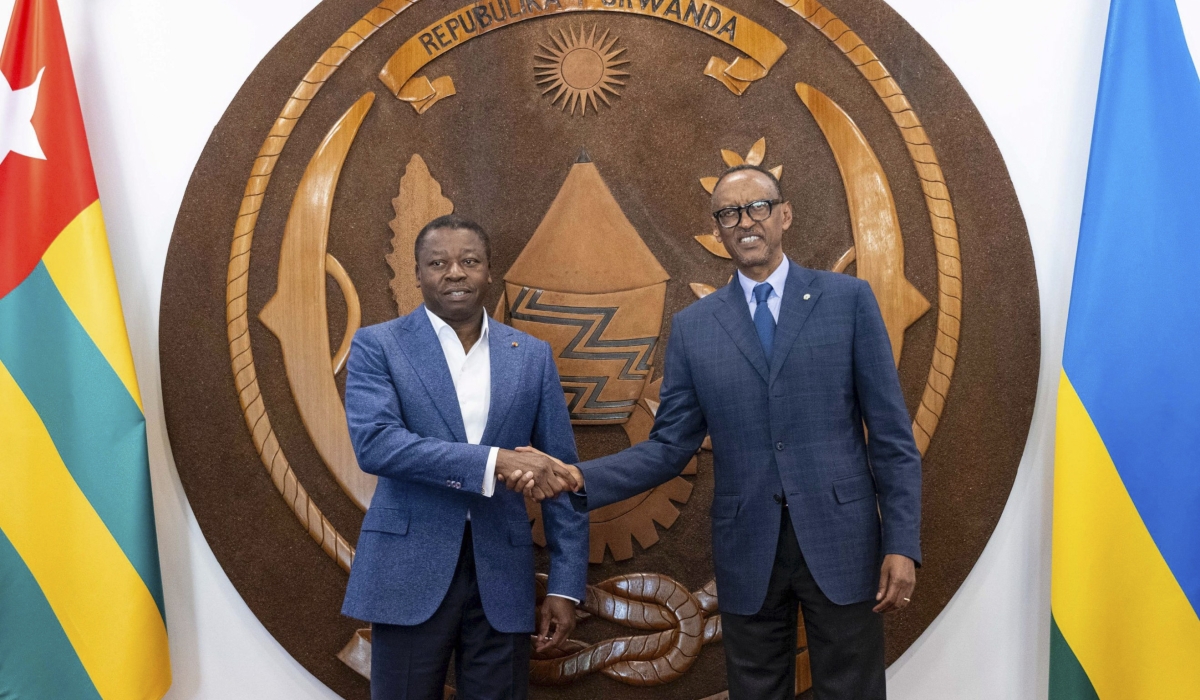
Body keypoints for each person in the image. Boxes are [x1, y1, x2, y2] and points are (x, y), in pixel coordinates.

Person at [515, 165, 922, 699]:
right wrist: (574, 477)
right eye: (729, 213)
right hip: (747, 549)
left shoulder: (847, 301)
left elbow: (892, 437)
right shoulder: (694, 327)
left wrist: (902, 543)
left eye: (757, 207)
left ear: (784, 216)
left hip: (844, 542)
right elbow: (668, 448)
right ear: (718, 229)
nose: (745, 221)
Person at [341, 215, 587, 700]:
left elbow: (559, 473)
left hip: (503, 575)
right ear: (417, 273)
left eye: (469, 261)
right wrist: (493, 461)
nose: (454, 272)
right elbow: (377, 445)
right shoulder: (378, 345)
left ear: (489, 270)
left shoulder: (532, 355)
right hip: (408, 570)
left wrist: (565, 584)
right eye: (438, 262)